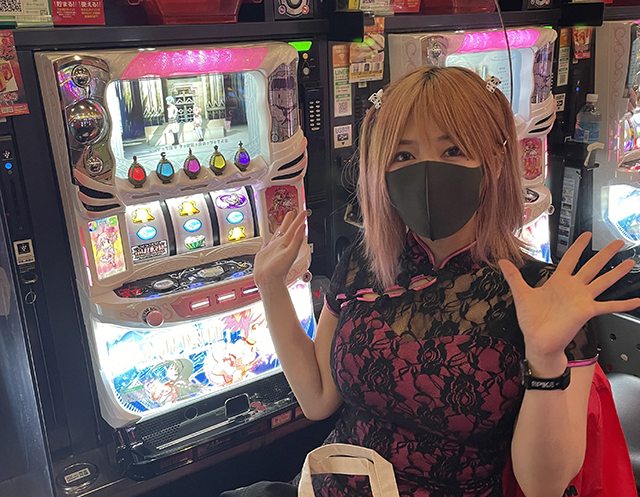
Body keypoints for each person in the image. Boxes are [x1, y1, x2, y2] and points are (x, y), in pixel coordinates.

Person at [236, 67, 640, 497]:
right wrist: (271, 288)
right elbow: (317, 397)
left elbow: (544, 485)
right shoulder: (362, 264)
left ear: (495, 161)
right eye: (403, 156)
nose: (427, 173)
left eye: (453, 150)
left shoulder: (542, 295)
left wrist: (546, 358)